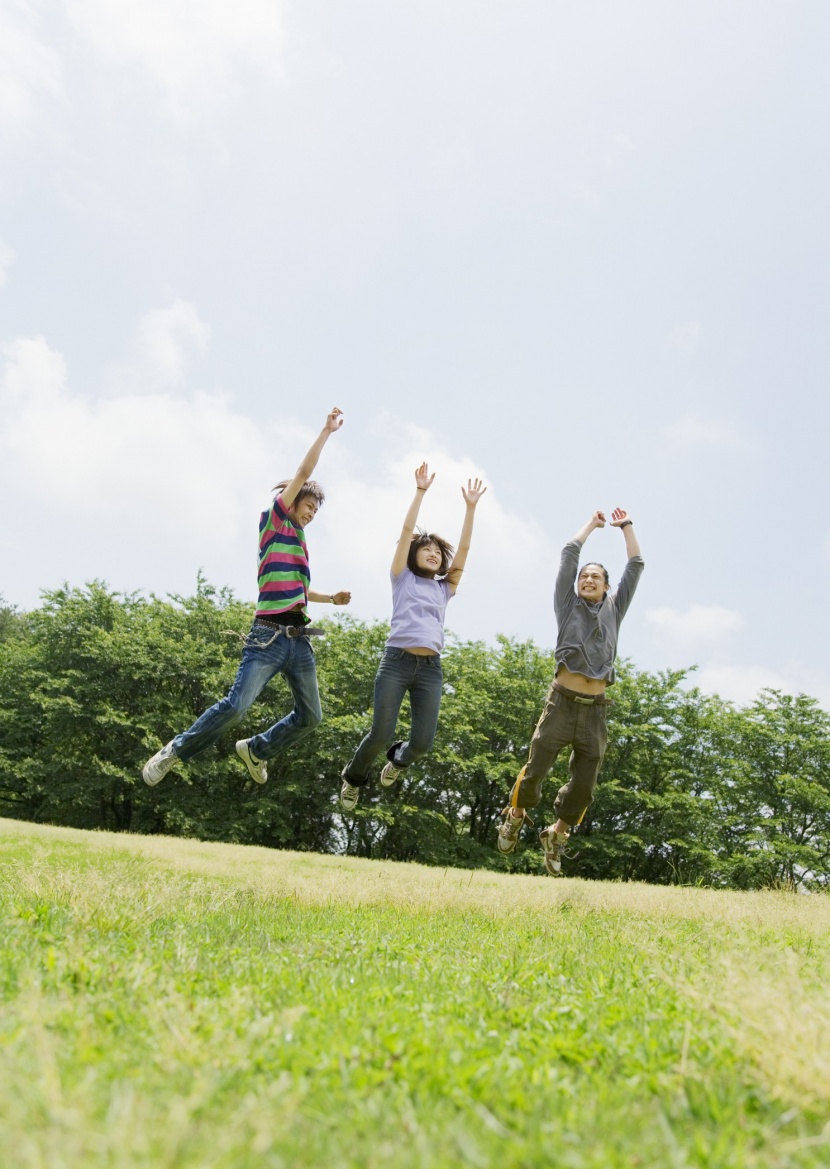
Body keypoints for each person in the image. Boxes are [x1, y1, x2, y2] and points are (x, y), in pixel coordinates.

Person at [142, 407, 351, 788]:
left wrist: (331, 599)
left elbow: (300, 592)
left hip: (299, 641)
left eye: (316, 511)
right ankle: (175, 750)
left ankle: (257, 750)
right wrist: (326, 432)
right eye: (309, 506)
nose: (312, 514)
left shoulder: (300, 543)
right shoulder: (274, 521)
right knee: (236, 706)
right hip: (267, 637)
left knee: (311, 717)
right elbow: (304, 473)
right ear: (293, 501)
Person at [497, 508, 643, 875]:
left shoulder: (615, 608)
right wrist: (593, 525)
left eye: (596, 576)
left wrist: (626, 526)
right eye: (585, 576)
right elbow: (568, 554)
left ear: (608, 587)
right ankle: (515, 816)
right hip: (561, 702)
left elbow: (636, 564)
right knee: (536, 768)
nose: (588, 579)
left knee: (586, 783)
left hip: (596, 708)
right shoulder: (567, 604)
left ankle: (556, 835)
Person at [339, 462, 486, 811]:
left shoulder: (445, 587)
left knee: (421, 742)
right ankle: (352, 778)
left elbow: (463, 552)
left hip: (430, 669)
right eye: (426, 549)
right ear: (413, 556)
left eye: (437, 551)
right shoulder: (401, 577)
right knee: (380, 733)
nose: (434, 553)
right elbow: (406, 530)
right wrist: (419, 492)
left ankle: (399, 762)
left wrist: (470, 508)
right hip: (396, 663)